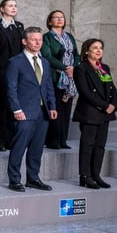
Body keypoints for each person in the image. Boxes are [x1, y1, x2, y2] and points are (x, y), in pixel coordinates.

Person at [6, 27, 58, 192]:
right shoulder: (15, 61)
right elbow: (11, 88)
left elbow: (48, 86)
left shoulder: (44, 62)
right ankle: (14, 180)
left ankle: (33, 178)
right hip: (24, 112)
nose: (38, 43)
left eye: (40, 40)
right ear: (24, 41)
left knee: (37, 148)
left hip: (42, 113)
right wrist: (16, 109)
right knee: (19, 147)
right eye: (34, 39)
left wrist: (52, 106)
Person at [73, 38, 117, 189]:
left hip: (105, 113)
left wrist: (114, 104)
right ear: (87, 51)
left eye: (101, 48)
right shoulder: (81, 68)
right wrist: (104, 105)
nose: (99, 50)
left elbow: (112, 88)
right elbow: (85, 92)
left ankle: (96, 175)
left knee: (100, 146)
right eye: (95, 48)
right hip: (90, 112)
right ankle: (85, 176)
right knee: (87, 145)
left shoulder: (104, 67)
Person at [0, 0, 25, 152]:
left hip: (17, 73)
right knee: (1, 106)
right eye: (10, 5)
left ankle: (11, 139)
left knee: (13, 105)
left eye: (15, 5)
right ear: (1, 9)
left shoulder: (19, 27)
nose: (13, 8)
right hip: (1, 72)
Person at [41, 10, 79, 150]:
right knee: (55, 107)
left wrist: (73, 67)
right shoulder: (47, 37)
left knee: (66, 109)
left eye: (61, 17)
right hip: (55, 77)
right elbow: (47, 56)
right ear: (50, 21)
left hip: (69, 79)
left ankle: (63, 140)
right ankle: (53, 140)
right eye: (55, 17)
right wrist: (64, 68)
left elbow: (76, 55)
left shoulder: (69, 36)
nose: (59, 19)